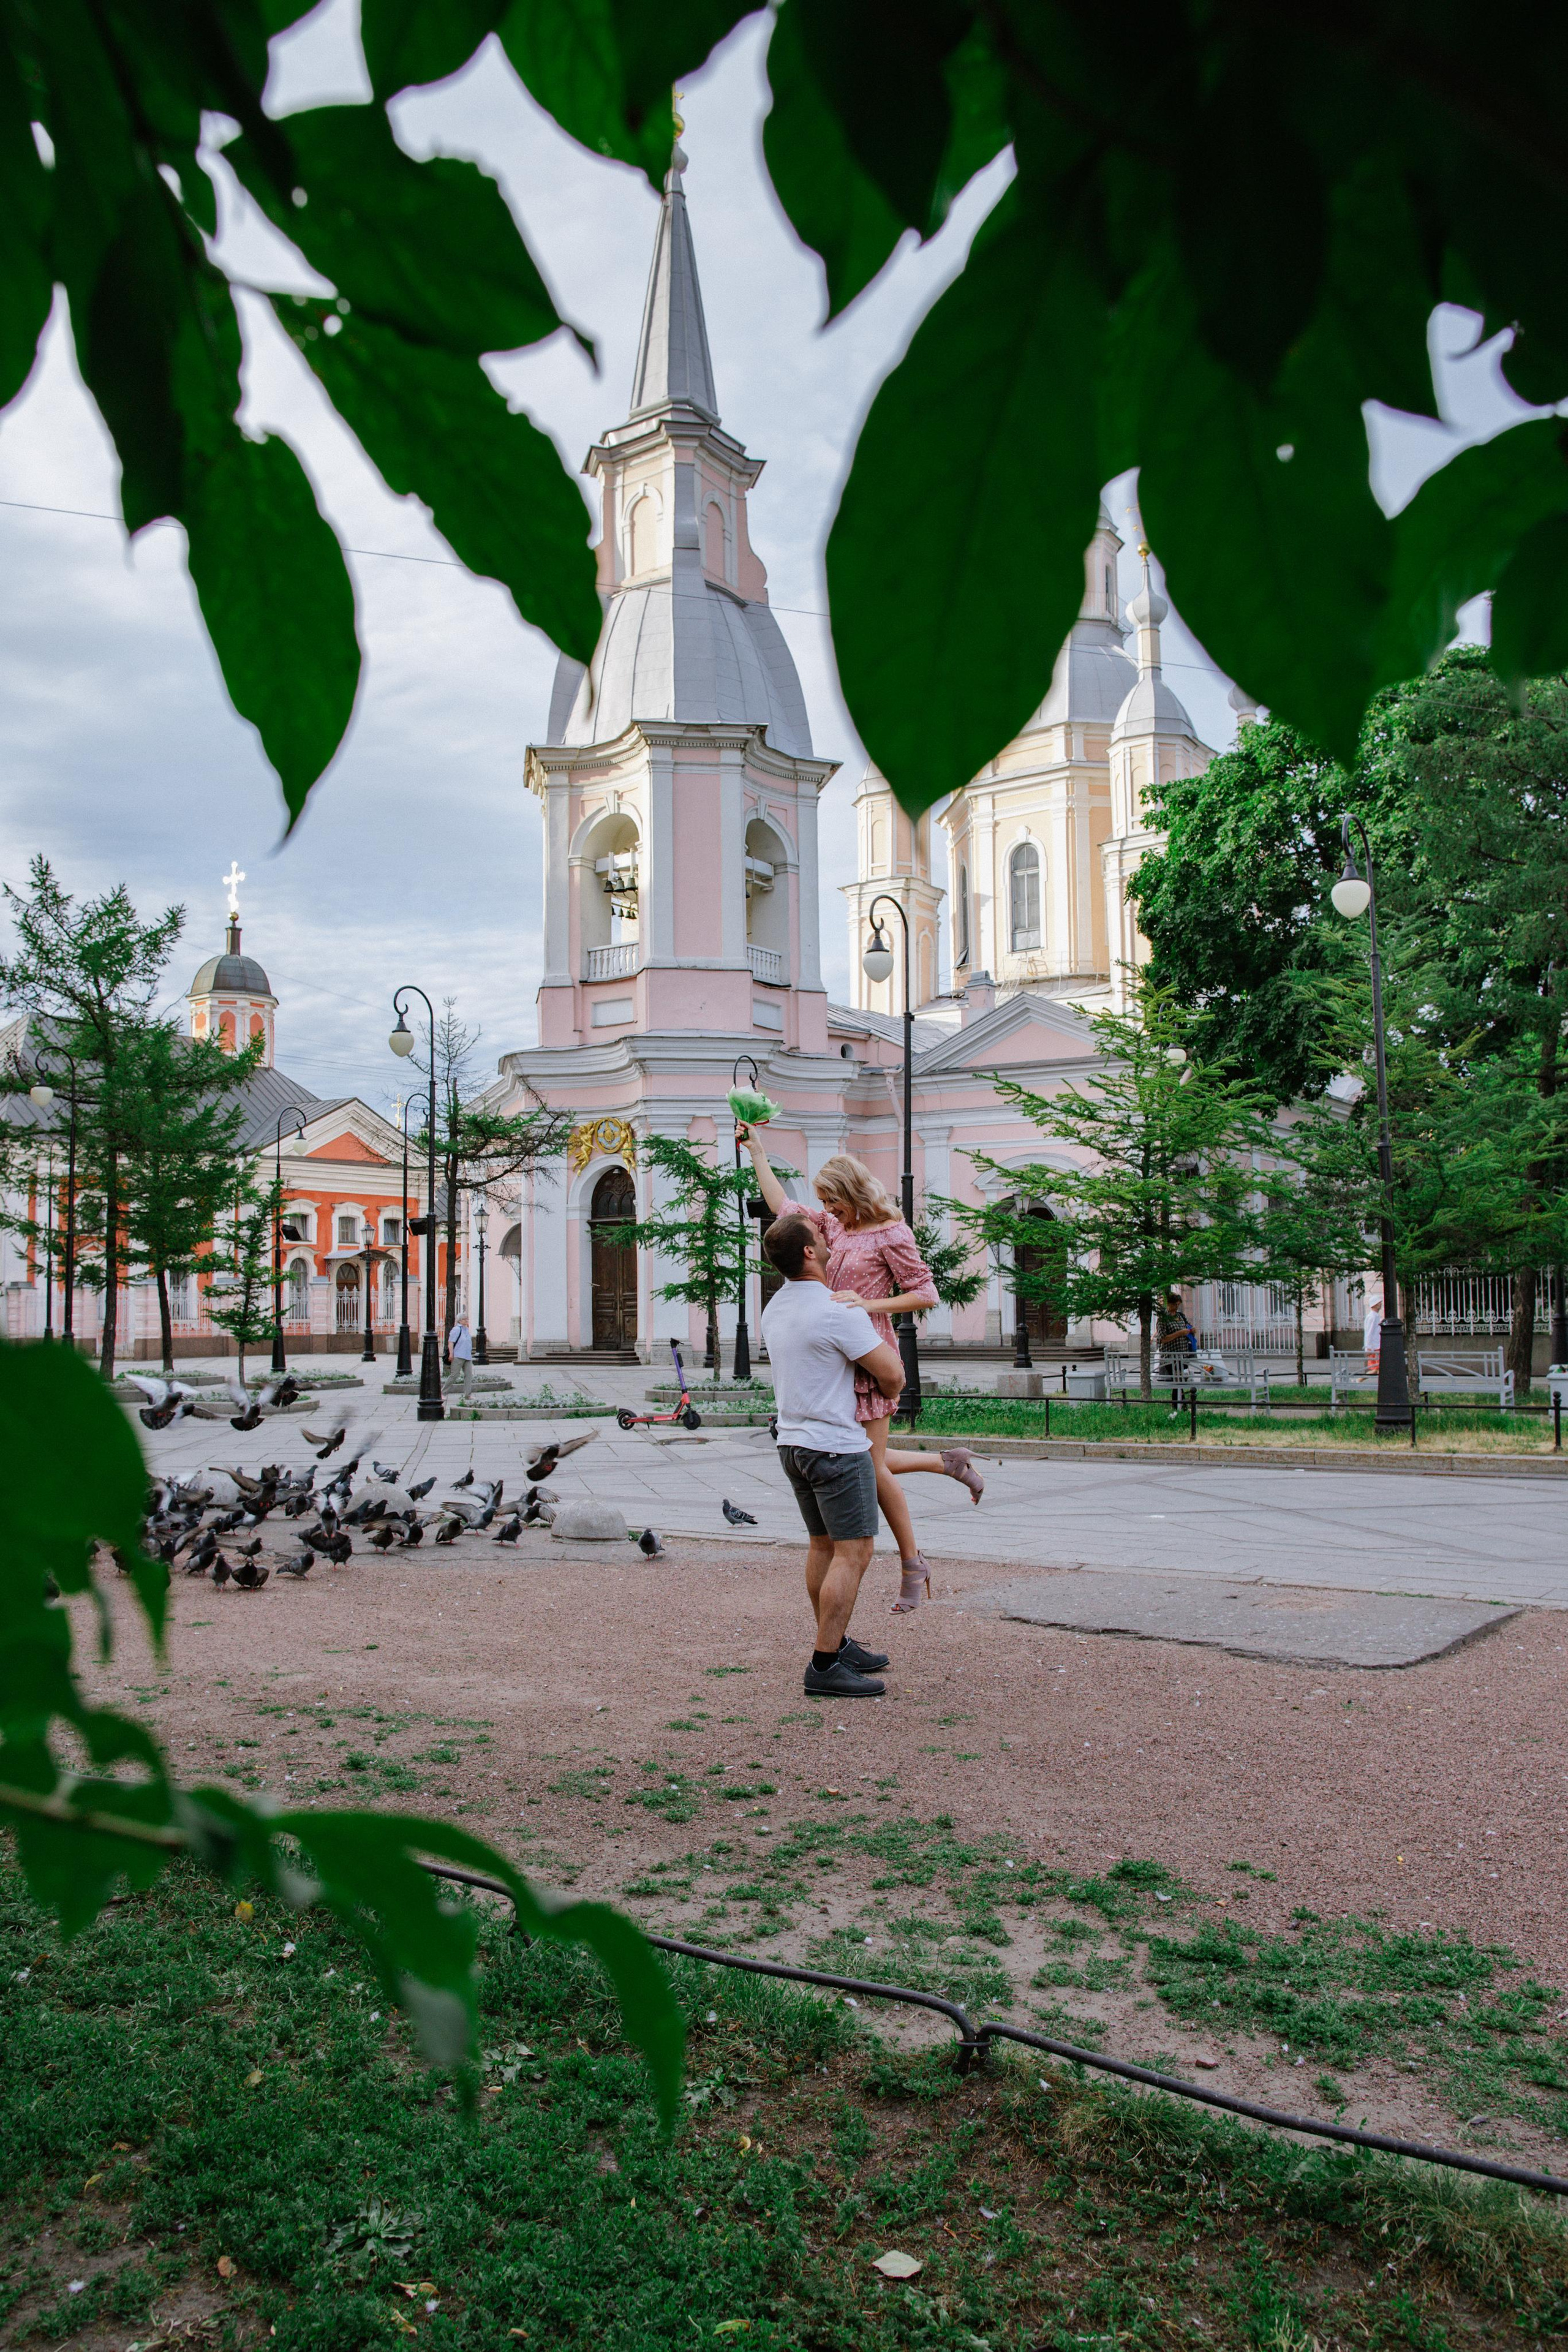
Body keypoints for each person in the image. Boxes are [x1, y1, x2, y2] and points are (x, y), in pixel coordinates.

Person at [741, 1129, 983, 1611]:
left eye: (832, 1199)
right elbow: (782, 1208)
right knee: (854, 1459)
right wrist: (758, 1153)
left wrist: (867, 1303)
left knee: (867, 1467)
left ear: (852, 1193)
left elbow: (924, 1292)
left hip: (869, 1353)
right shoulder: (833, 1228)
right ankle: (946, 1463)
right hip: (836, 1351)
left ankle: (913, 1562)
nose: (826, 1209)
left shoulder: (892, 1232)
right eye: (824, 1202)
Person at [759, 1212, 908, 1697]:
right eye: (821, 1238)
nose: (829, 1242)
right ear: (808, 1252)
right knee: (855, 1551)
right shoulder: (835, 1310)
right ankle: (824, 1665)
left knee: (822, 1546)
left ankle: (837, 1643)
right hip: (836, 1447)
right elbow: (892, 1375)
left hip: (793, 1443)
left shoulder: (775, 1307)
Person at [448, 1312, 474, 1399]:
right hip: (458, 1355)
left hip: (467, 1356)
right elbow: (451, 1342)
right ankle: (443, 1392)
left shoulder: (466, 1329)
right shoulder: (456, 1329)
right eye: (464, 1319)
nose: (466, 1320)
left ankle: (467, 1395)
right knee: (454, 1375)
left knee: (469, 1375)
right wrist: (451, 1354)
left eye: (467, 1319)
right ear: (460, 1320)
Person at [1362, 1289, 1382, 1383]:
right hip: (1374, 1347)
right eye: (1379, 1303)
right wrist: (1369, 1347)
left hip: (1376, 1346)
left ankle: (1360, 1380)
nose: (1380, 1304)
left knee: (1378, 1368)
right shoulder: (1372, 1317)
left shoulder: (1376, 1316)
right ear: (1374, 1305)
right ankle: (1359, 1379)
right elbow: (1369, 1333)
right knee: (1377, 1368)